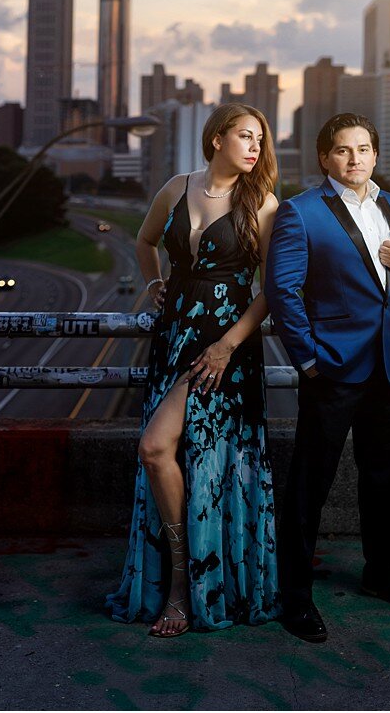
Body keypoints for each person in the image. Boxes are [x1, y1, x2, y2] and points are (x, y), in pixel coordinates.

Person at [265, 112, 390, 644]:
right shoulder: (301, 212)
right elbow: (282, 292)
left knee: (382, 477)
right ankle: (295, 594)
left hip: (388, 367)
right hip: (332, 370)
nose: (355, 159)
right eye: (343, 150)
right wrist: (308, 360)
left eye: (364, 149)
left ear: (375, 155)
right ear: (324, 157)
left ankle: (382, 572)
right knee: (309, 484)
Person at [106, 102, 281, 637]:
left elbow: (270, 290)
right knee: (180, 457)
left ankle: (183, 591)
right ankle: (183, 584)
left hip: (222, 346)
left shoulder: (264, 203)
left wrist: (227, 346)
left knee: (159, 447)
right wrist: (153, 281)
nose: (255, 147)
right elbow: (144, 240)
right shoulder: (176, 188)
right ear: (215, 139)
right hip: (174, 335)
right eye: (245, 136)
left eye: (260, 139)